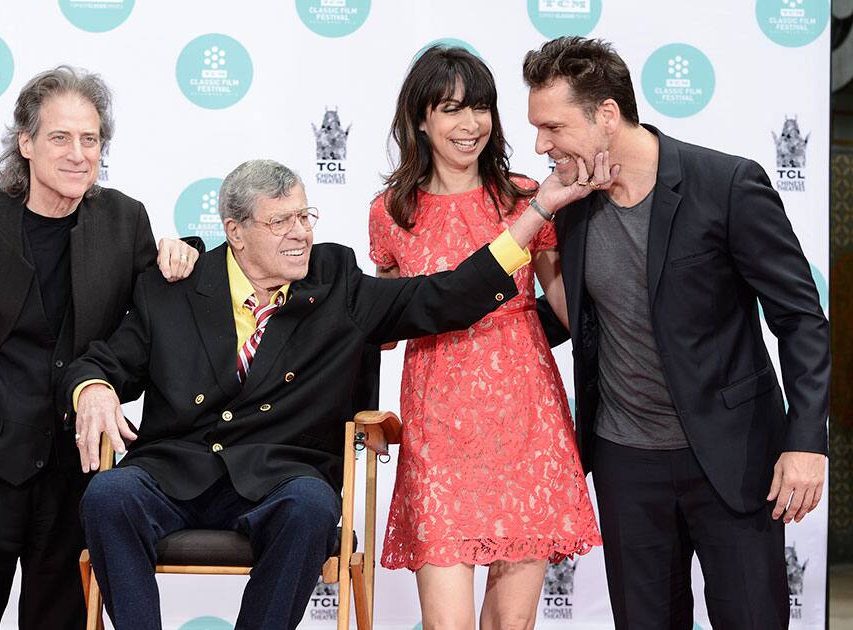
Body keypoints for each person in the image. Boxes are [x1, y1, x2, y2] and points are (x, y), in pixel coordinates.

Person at [67, 157, 600, 630]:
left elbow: (445, 296)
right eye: (280, 221)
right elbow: (105, 361)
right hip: (175, 471)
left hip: (280, 479)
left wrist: (537, 214)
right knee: (109, 496)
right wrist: (92, 389)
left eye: (305, 216)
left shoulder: (337, 283)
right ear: (236, 232)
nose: (300, 233)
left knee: (311, 506)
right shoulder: (177, 283)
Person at [0, 66, 201, 629]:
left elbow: (149, 328)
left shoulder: (123, 221)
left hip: (74, 474)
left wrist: (184, 251)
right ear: (25, 143)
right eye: (60, 137)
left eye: (91, 139)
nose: (78, 154)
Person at [522, 37, 830, 629]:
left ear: (606, 115)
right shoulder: (574, 205)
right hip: (624, 463)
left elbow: (799, 319)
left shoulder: (728, 184)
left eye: (552, 127)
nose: (541, 145)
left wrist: (806, 441)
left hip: (733, 455)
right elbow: (581, 319)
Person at [368, 45, 600, 629]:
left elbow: (566, 307)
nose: (468, 125)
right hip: (438, 433)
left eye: (480, 108)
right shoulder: (392, 211)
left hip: (527, 428)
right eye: (450, 109)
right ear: (420, 118)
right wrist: (360, 408)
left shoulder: (524, 196)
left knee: (510, 625)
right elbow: (382, 325)